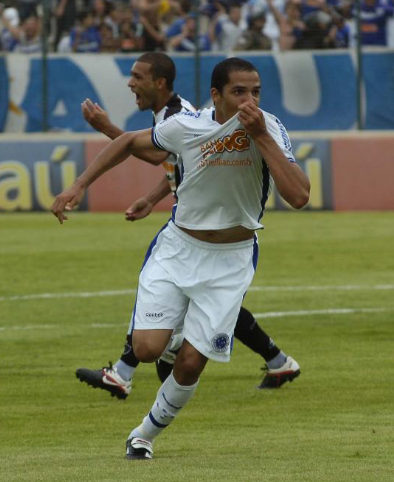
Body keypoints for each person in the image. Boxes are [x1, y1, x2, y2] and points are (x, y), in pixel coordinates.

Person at [51, 57, 310, 459]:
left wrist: (261, 137)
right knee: (146, 350)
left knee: (190, 365)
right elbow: (129, 142)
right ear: (216, 95)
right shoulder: (187, 125)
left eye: (256, 91)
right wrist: (79, 185)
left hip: (231, 259)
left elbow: (299, 196)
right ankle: (175, 336)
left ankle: (142, 436)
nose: (250, 100)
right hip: (179, 249)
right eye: (239, 91)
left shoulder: (269, 127)